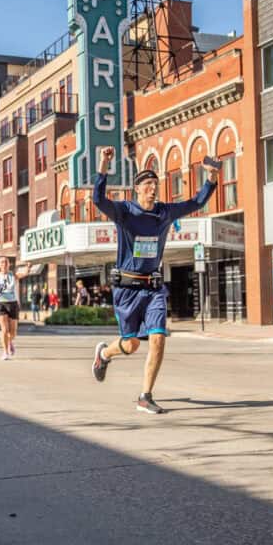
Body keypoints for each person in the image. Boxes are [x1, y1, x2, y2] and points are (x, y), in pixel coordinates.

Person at [90, 146, 217, 414]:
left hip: (153, 287)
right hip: (126, 289)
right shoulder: (124, 211)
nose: (152, 189)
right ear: (137, 189)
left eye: (155, 184)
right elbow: (99, 200)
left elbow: (196, 202)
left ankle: (145, 396)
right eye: (147, 184)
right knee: (131, 344)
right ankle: (103, 355)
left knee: (158, 338)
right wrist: (103, 164)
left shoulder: (164, 212)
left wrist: (211, 179)